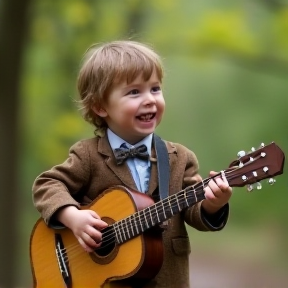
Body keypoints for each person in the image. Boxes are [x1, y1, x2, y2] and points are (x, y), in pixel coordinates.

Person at [32, 40, 232, 288]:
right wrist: (73, 217)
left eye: (155, 89)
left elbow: (193, 210)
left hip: (168, 279)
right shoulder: (88, 155)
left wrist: (213, 205)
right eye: (134, 92)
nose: (149, 99)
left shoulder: (180, 158)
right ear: (100, 106)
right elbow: (47, 185)